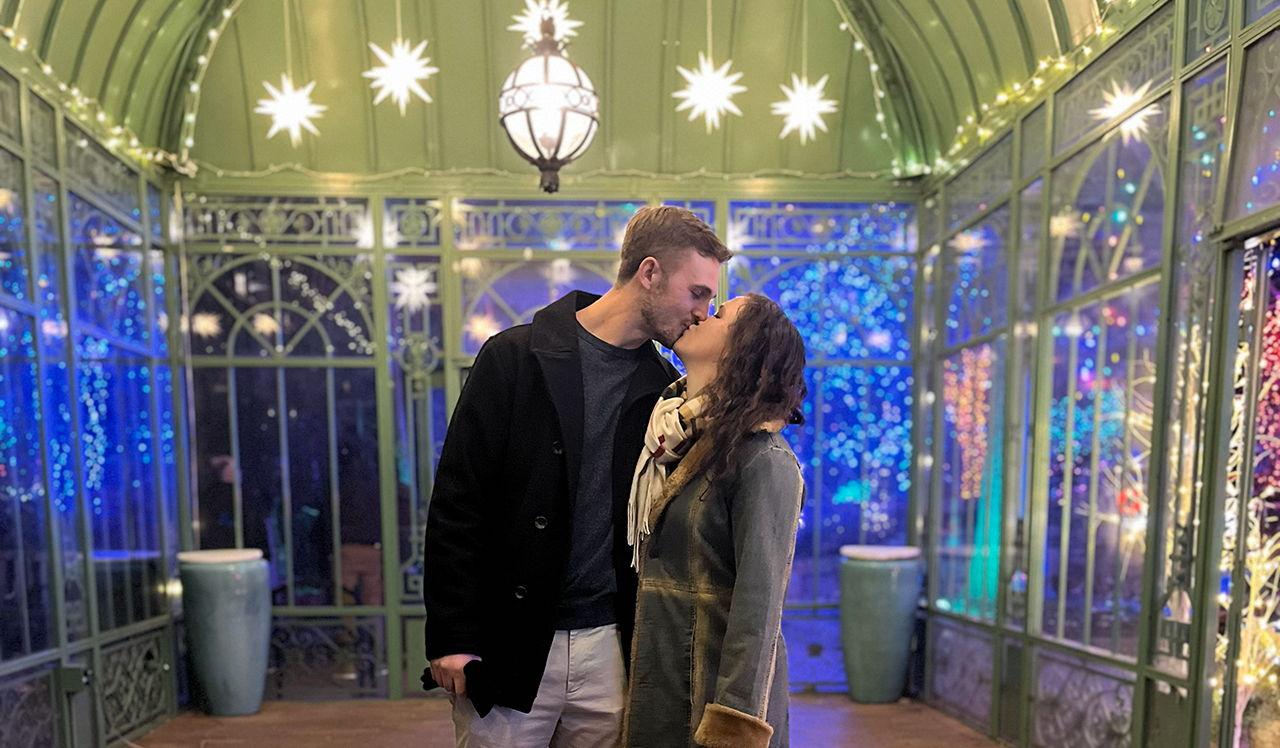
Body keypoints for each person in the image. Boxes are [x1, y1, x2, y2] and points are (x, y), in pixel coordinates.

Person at [422, 205, 732, 747]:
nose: (702, 313)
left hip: (611, 646)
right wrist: (452, 634)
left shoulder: (664, 387)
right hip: (509, 639)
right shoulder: (514, 357)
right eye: (698, 293)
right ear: (650, 272)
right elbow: (458, 500)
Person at [622, 293, 807, 748]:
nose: (702, 315)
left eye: (719, 314)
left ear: (743, 348)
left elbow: (759, 610)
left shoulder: (764, 457)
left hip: (710, 698)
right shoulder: (676, 439)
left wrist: (734, 725)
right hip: (664, 685)